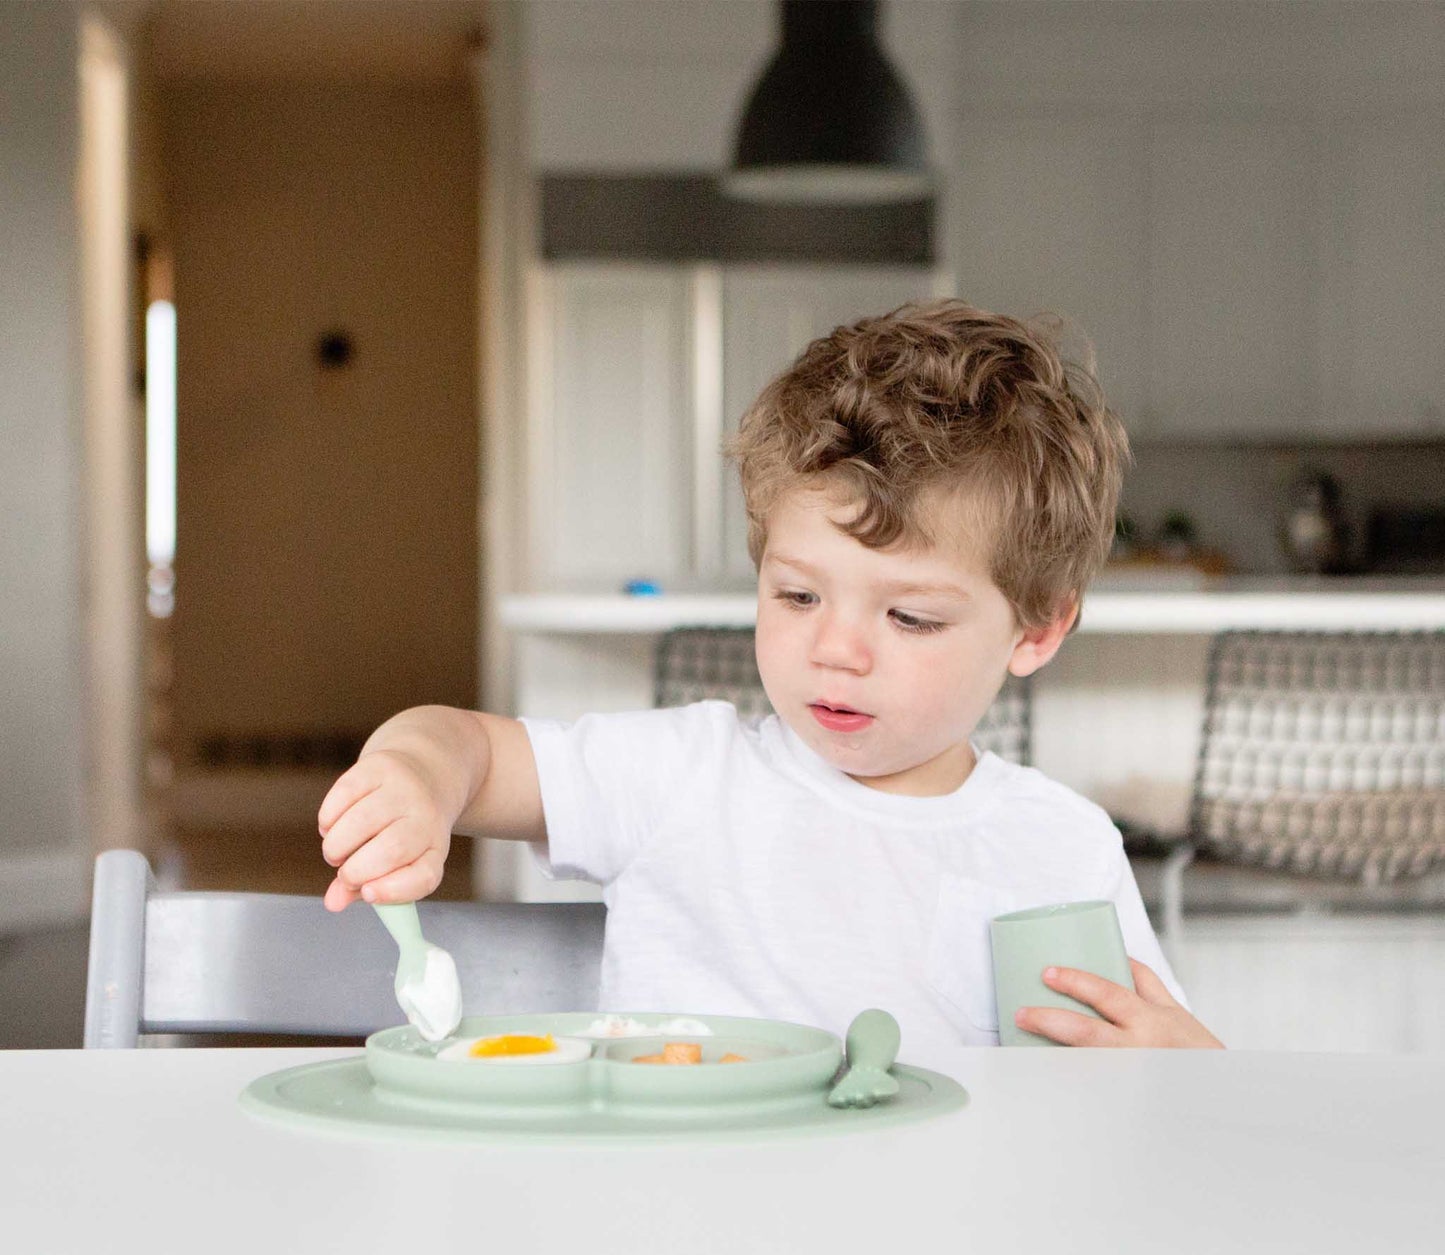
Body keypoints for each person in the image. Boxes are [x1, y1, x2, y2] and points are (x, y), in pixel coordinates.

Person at [319, 301, 1222, 1070]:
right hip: (677, 1246)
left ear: (1037, 628)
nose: (835, 650)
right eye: (796, 594)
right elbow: (471, 749)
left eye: (907, 618)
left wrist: (1187, 1071)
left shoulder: (1055, 847)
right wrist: (416, 775)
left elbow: (1138, 1090)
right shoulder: (683, 777)